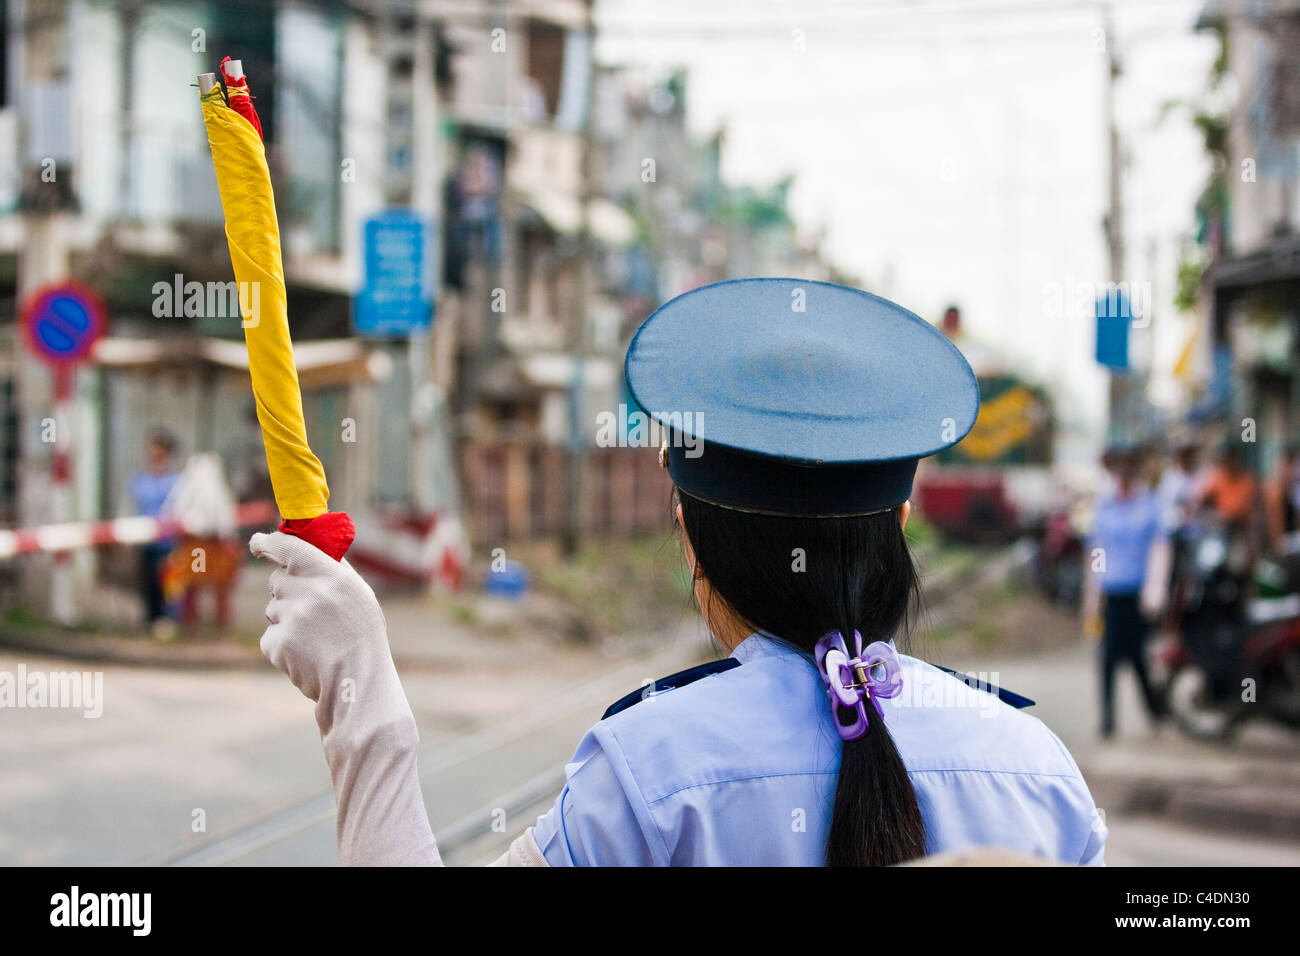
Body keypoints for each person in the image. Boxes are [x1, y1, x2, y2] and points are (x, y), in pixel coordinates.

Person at [251, 279, 1106, 866]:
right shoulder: (1038, 773)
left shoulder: (650, 772)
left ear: (689, 536)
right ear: (903, 526)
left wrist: (359, 687)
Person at [1083, 444, 1165, 739]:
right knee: (1107, 659)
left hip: (1139, 596)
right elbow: (1096, 551)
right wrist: (1092, 597)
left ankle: (1155, 712)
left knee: (1139, 659)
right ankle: (1107, 720)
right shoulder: (1105, 505)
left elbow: (1159, 549)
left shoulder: (1149, 504)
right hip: (1112, 595)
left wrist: (1155, 590)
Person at [128, 428, 181, 635]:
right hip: (146, 541)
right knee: (148, 581)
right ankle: (149, 618)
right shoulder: (141, 479)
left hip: (168, 543)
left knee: (168, 582)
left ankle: (168, 619)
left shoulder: (175, 482)